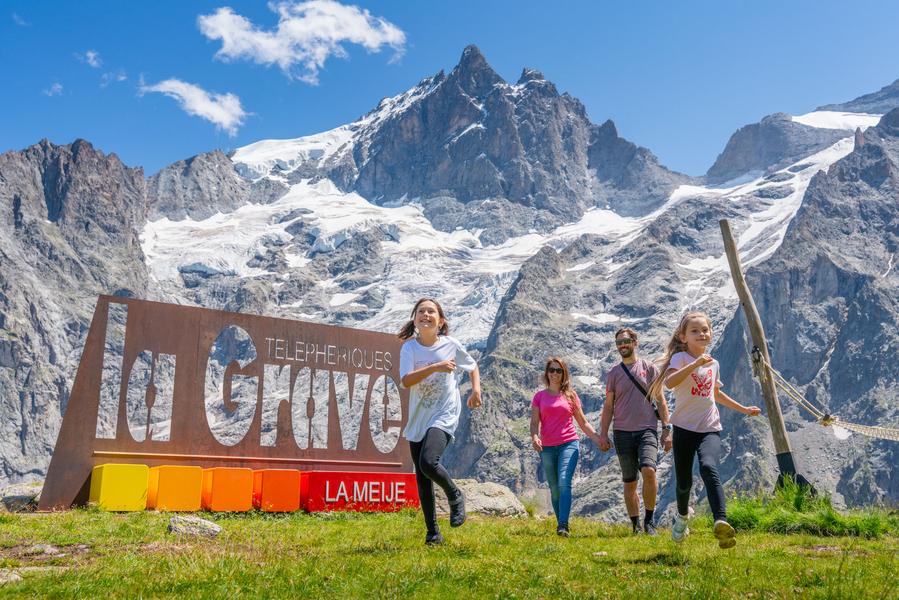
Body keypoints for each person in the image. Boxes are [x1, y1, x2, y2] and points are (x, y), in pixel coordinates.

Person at [647, 312, 761, 549]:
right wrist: (696, 364)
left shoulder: (714, 364)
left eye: (705, 330)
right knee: (684, 483)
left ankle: (721, 520)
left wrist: (743, 409)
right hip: (684, 428)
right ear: (683, 336)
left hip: (709, 427)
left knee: (709, 467)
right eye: (695, 331)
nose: (701, 334)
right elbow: (670, 383)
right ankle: (682, 518)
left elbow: (715, 394)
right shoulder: (680, 358)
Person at [398, 298, 482, 546]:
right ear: (415, 320)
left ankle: (455, 495)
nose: (426, 314)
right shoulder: (409, 349)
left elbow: (472, 366)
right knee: (422, 477)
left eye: (431, 311)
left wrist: (476, 390)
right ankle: (433, 533)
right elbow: (406, 381)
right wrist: (435, 367)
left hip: (444, 413)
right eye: (421, 311)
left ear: (440, 321)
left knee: (428, 462)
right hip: (419, 417)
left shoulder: (450, 345)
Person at [598, 328, 671, 535]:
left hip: (647, 430)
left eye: (626, 341)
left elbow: (661, 401)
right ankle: (635, 526)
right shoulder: (613, 374)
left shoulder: (649, 369)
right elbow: (609, 407)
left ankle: (649, 521)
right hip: (622, 432)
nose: (623, 345)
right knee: (629, 482)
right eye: (619, 342)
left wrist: (667, 429)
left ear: (635, 342)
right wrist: (603, 434)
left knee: (649, 470)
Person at [530, 356, 602, 537]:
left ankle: (563, 525)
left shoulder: (571, 396)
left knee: (564, 482)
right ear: (547, 373)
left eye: (558, 370)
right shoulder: (539, 397)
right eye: (551, 370)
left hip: (569, 443)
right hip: (547, 447)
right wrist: (534, 437)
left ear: (564, 374)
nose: (555, 374)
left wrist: (597, 438)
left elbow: (583, 422)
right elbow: (534, 422)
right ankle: (560, 524)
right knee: (554, 488)